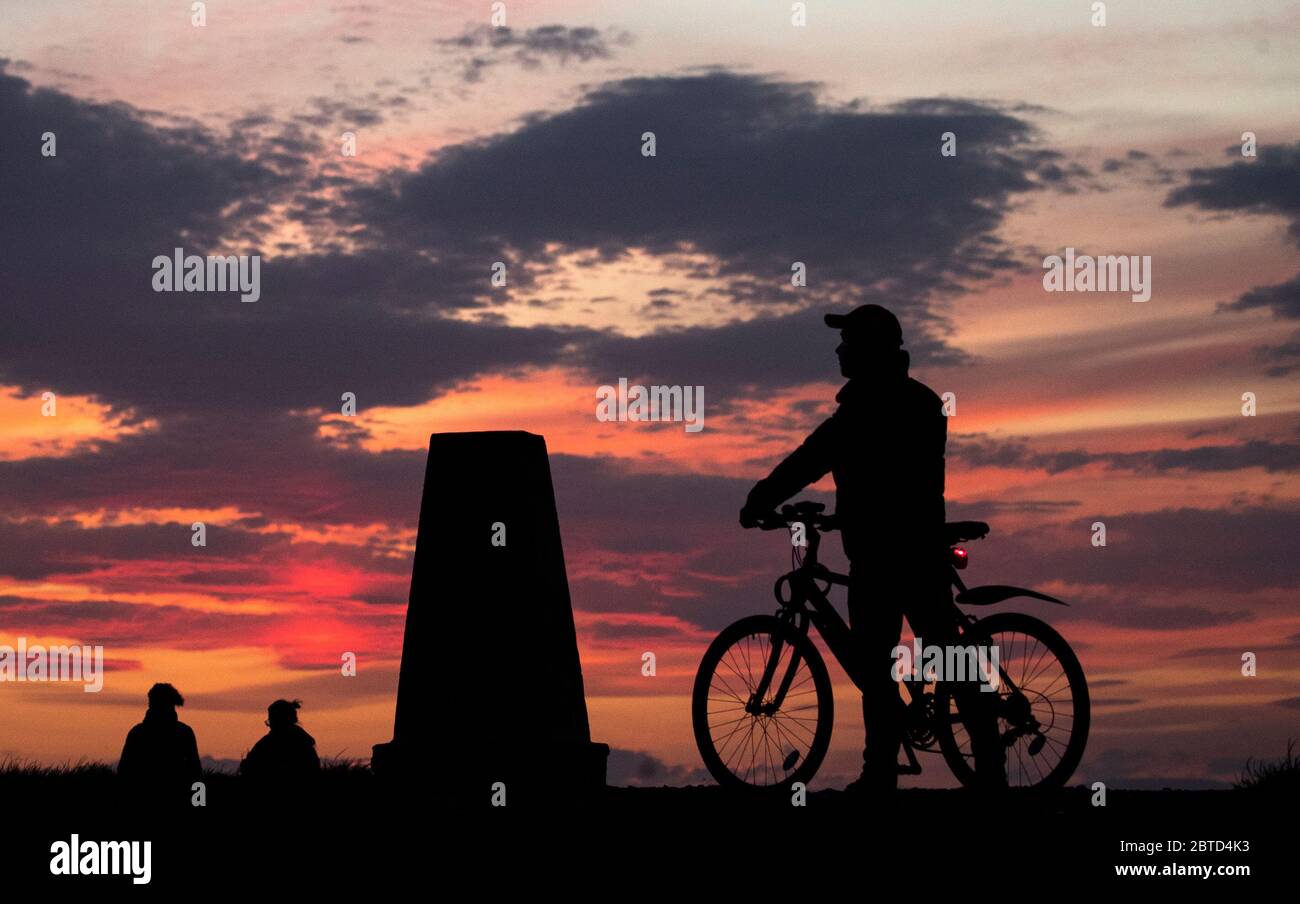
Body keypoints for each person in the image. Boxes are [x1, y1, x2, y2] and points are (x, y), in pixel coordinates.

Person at [739, 304, 1004, 794]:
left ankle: (880, 772)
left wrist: (760, 499)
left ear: (867, 350)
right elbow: (902, 480)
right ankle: (987, 769)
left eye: (848, 343)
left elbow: (810, 461)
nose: (839, 350)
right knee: (942, 653)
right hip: (917, 545)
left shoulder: (860, 413)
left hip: (884, 555)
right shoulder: (922, 403)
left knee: (878, 663)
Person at [117, 682, 202, 805]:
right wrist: (199, 803)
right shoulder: (184, 733)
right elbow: (196, 772)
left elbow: (123, 771)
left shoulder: (137, 733)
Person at [240, 699, 321, 781]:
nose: (269, 726)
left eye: (270, 722)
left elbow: (250, 767)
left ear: (277, 721)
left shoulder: (268, 743)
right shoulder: (305, 741)